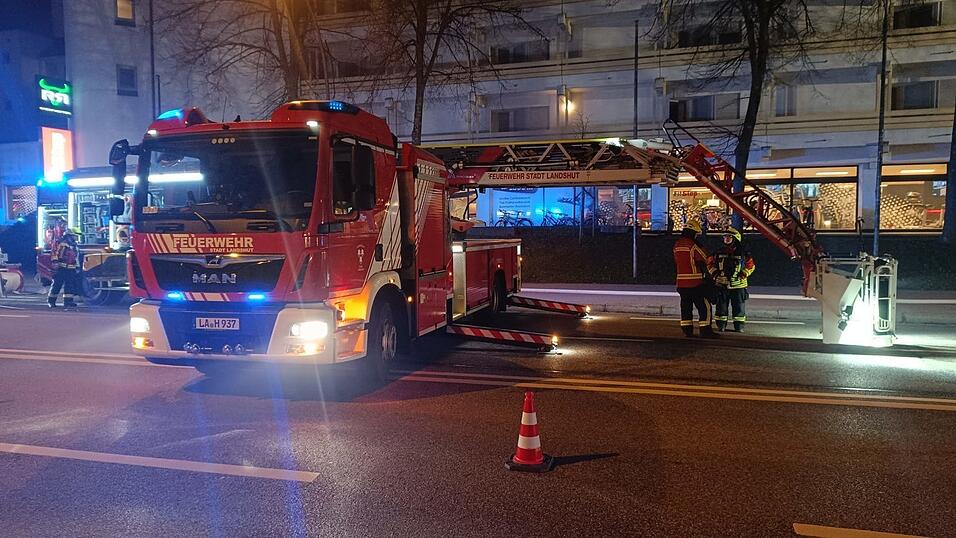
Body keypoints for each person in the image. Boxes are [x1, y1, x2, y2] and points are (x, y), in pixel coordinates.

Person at [672, 220, 718, 338]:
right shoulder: (693, 245)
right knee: (704, 306)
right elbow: (705, 258)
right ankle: (705, 330)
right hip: (696, 283)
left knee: (686, 307)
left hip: (681, 283)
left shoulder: (677, 245)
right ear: (693, 233)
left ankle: (687, 330)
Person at [709, 227, 755, 332]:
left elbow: (751, 265)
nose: (726, 239)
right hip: (722, 283)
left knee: (739, 307)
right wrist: (715, 274)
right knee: (721, 307)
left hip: (738, 285)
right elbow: (710, 264)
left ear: (735, 238)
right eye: (725, 237)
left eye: (729, 237)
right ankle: (721, 325)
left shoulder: (743, 253)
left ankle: (739, 326)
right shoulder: (718, 252)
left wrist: (744, 273)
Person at [48, 228, 81, 309]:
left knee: (69, 286)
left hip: (71, 268)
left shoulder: (74, 245)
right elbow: (55, 253)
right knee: (57, 285)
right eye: (74, 236)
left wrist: (77, 267)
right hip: (61, 268)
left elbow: (76, 257)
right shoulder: (62, 244)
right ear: (69, 236)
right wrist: (55, 263)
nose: (76, 238)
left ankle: (68, 301)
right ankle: (51, 301)